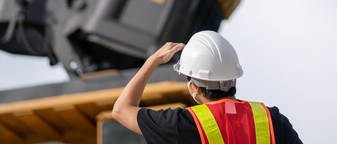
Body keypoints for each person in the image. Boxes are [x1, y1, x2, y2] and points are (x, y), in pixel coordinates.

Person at [112, 30, 302, 144]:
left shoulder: (182, 124)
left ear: (193, 85)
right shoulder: (273, 120)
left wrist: (152, 61)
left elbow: (121, 110)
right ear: (234, 78)